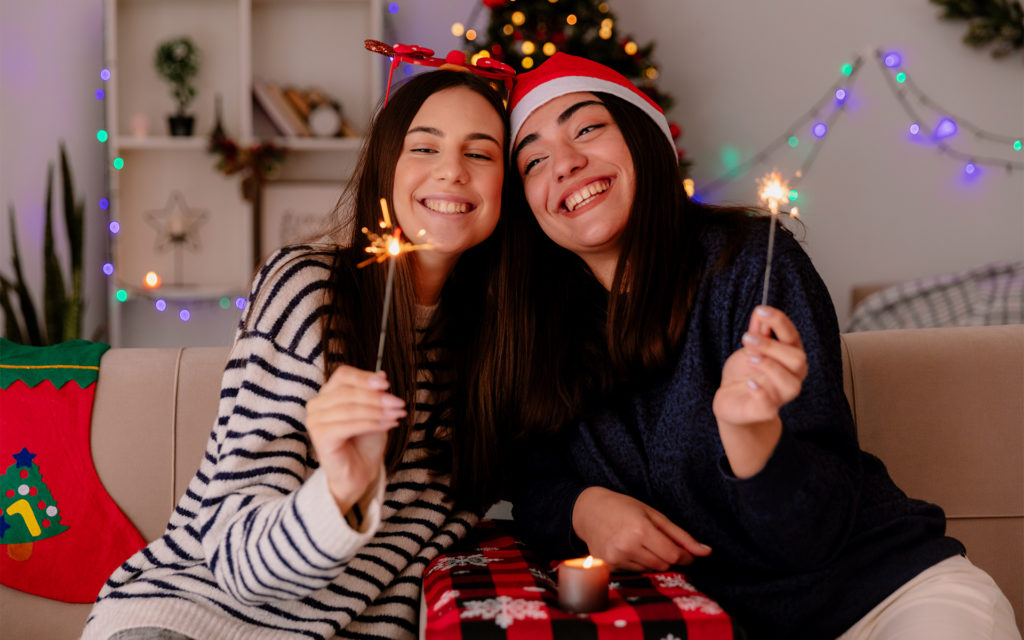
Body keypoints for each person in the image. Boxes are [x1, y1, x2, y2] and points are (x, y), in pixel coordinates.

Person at [499, 53, 1021, 640]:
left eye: (588, 128)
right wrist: (583, 508)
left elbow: (811, 533)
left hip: (883, 602)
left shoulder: (748, 262)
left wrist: (754, 440)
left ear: (642, 136)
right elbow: (531, 485)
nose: (564, 164)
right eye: (534, 160)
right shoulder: (538, 329)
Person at [83, 68, 511, 640]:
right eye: (424, 146)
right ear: (386, 166)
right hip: (191, 620)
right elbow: (238, 565)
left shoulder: (501, 345)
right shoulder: (308, 290)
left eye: (480, 154)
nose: (452, 170)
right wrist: (337, 493)